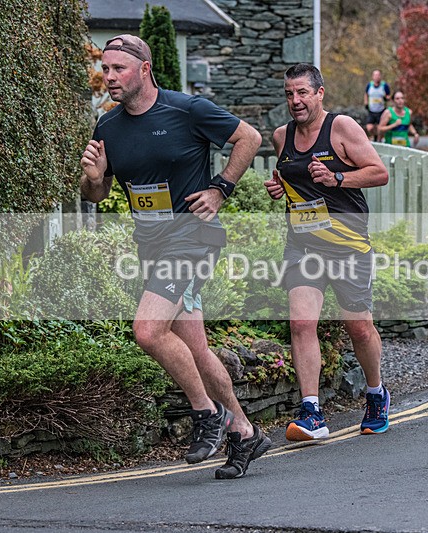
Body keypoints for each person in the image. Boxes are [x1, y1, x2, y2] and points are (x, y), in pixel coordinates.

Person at [80, 34, 268, 479]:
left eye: (118, 69)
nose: (109, 77)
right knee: (196, 349)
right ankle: (243, 430)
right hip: (153, 245)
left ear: (144, 69)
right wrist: (91, 178)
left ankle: (207, 414)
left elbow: (250, 137)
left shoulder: (188, 110)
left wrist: (221, 188)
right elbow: (98, 193)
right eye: (105, 69)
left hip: (193, 238)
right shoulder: (107, 127)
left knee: (147, 331)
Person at [264, 63, 390, 441]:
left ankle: (376, 393)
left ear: (320, 93)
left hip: (348, 246)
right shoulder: (281, 135)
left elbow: (379, 172)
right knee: (301, 324)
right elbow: (289, 178)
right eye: (289, 94)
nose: (295, 101)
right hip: (302, 244)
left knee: (359, 328)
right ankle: (311, 411)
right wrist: (278, 189)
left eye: (302, 92)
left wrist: (338, 178)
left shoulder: (342, 128)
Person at [364, 69, 391, 142]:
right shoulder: (369, 85)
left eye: (378, 75)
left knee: (381, 128)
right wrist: (366, 103)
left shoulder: (384, 85)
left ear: (380, 76)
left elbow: (389, 96)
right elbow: (366, 94)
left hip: (381, 110)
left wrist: (386, 97)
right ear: (373, 77)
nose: (377, 77)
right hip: (372, 110)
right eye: (375, 75)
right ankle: (374, 135)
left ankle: (379, 140)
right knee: (369, 127)